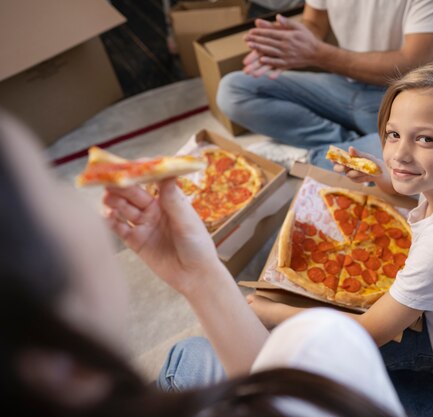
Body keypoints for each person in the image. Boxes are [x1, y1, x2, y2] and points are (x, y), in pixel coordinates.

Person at [0, 112, 405, 416]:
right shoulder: (324, 343)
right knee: (190, 357)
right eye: (51, 189)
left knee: (187, 353)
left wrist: (198, 276)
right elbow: (290, 395)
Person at [247, 57, 433, 374]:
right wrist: (385, 179)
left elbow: (366, 332)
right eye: (393, 133)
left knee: (298, 351)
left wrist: (270, 313)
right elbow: (427, 184)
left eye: (425, 138)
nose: (398, 154)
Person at [216, 0, 433, 169]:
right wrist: (287, 43)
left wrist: (318, 54)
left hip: (401, 97)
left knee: (423, 168)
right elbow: (314, 23)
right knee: (234, 90)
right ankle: (347, 144)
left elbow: (413, 62)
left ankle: (311, 157)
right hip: (342, 86)